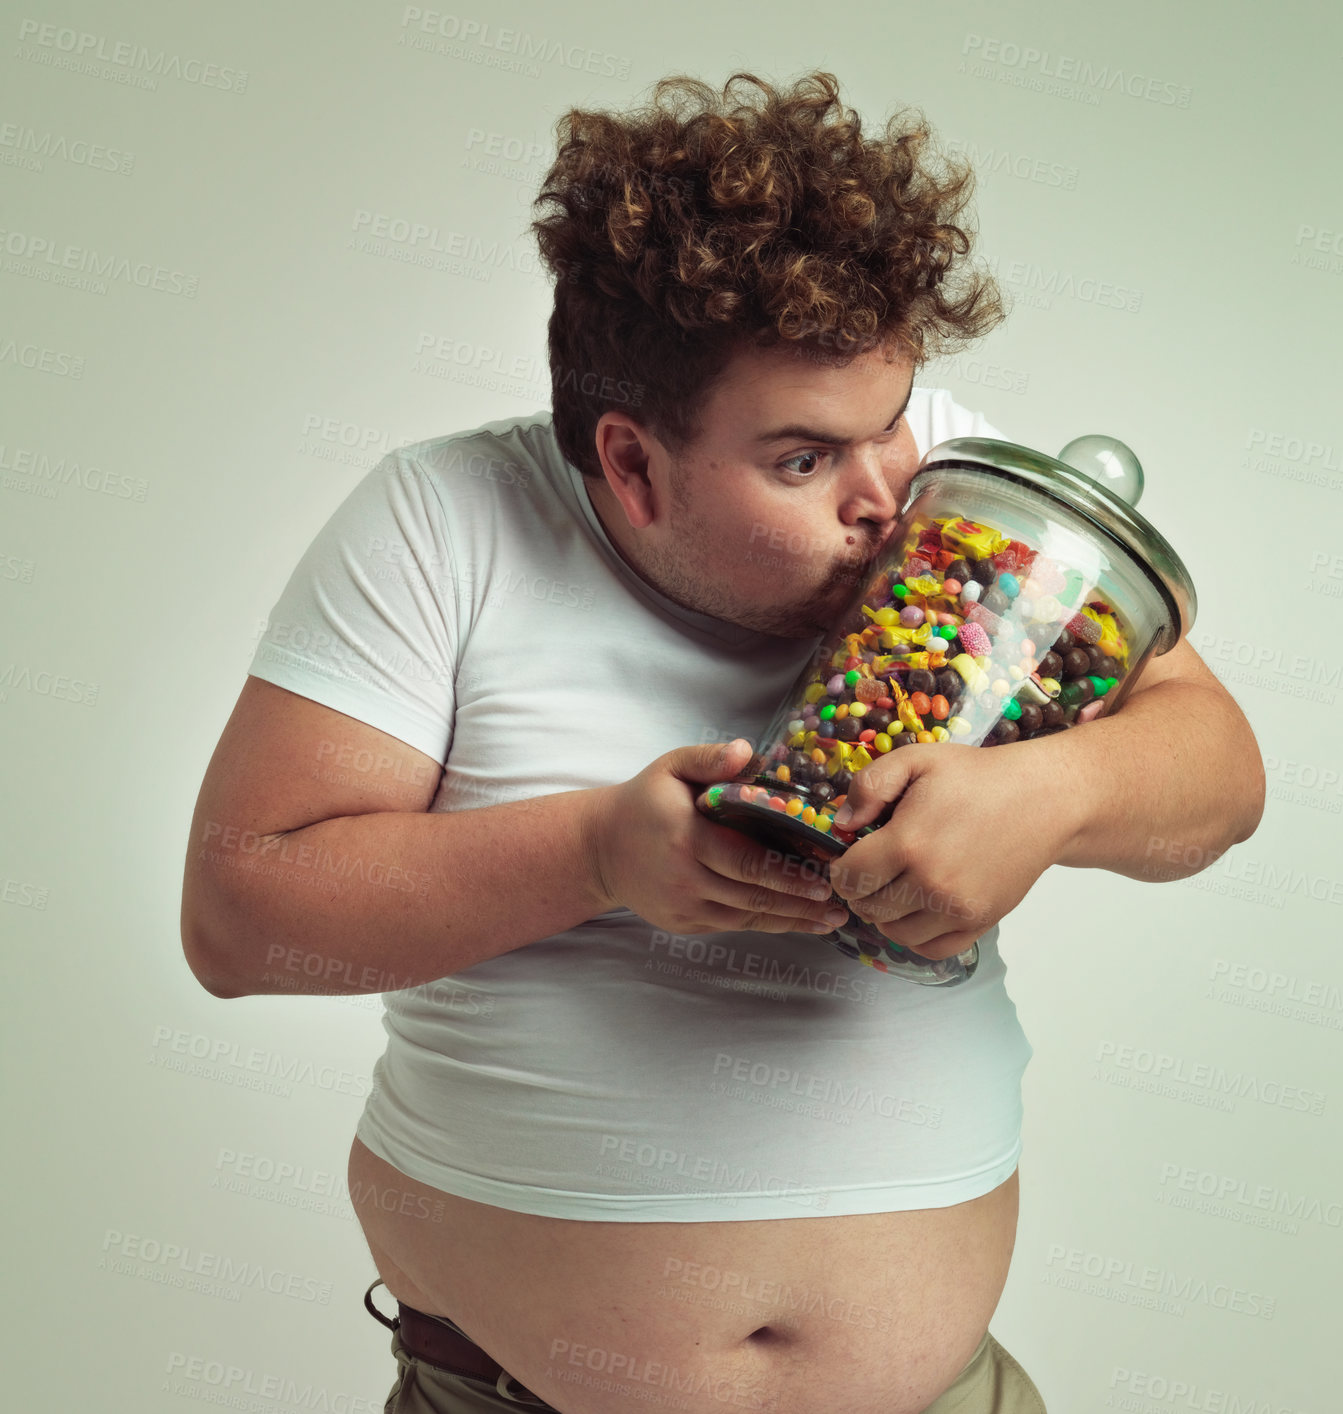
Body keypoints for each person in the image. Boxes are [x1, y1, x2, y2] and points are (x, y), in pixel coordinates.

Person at [180, 72, 1264, 1414]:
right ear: (632, 464)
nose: (885, 496)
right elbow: (239, 918)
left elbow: (1215, 770)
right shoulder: (443, 521)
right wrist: (592, 852)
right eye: (803, 460)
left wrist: (1050, 791)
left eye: (895, 422)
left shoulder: (949, 493)